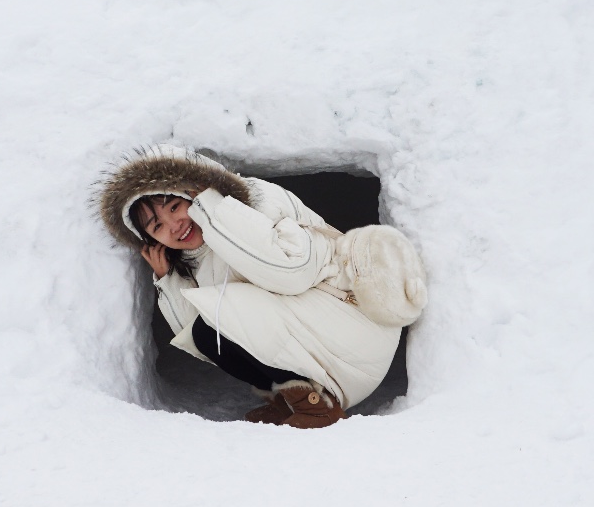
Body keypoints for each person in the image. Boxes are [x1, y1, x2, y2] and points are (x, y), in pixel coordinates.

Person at [97, 145, 426, 428]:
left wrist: (215, 208)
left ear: (194, 189)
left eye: (174, 206)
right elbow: (202, 340)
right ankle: (303, 400)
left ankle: (313, 401)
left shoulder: (258, 200)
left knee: (225, 309)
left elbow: (292, 272)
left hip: (359, 324)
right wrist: (169, 278)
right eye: (157, 226)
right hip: (335, 369)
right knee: (207, 332)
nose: (174, 224)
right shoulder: (192, 257)